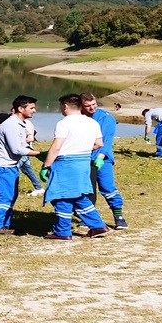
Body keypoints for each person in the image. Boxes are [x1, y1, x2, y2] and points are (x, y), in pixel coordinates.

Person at [41, 94, 109, 240]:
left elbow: (56, 147)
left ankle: (63, 231)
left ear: (65, 106)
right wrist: (82, 148)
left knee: (61, 196)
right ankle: (98, 226)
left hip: (66, 163)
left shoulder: (64, 123)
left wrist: (46, 165)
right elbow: (99, 144)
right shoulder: (92, 123)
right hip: (83, 161)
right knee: (79, 195)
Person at [0, 96, 45, 235]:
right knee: (4, 196)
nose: (34, 111)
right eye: (31, 108)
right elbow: (17, 150)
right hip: (0, 166)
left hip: (9, 165)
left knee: (12, 196)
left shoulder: (20, 123)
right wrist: (39, 153)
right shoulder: (11, 125)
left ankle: (5, 224)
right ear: (20, 108)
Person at [80, 93, 128, 230]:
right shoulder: (78, 118)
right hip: (83, 159)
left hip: (102, 160)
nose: (91, 108)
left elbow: (107, 141)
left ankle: (119, 217)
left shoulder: (106, 118)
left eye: (93, 104)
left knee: (107, 188)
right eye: (87, 106)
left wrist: (100, 157)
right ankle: (88, 217)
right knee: (86, 190)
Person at [17, 98, 45, 197]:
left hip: (24, 152)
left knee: (13, 170)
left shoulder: (26, 123)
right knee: (27, 170)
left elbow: (30, 138)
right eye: (32, 108)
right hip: (25, 152)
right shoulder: (16, 122)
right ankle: (39, 188)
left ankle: (10, 191)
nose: (34, 111)